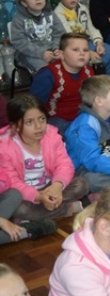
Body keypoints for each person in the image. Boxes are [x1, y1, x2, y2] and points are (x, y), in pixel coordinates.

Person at [0, 94, 89, 225]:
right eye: (29, 122)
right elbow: (12, 182)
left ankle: (39, 214)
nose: (38, 126)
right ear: (15, 126)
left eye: (42, 119)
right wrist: (38, 196)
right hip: (26, 195)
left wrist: (57, 186)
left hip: (50, 186)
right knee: (20, 209)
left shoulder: (52, 135)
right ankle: (66, 209)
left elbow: (64, 164)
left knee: (81, 184)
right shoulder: (4, 147)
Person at [53, 0, 110, 82]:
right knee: (86, 61)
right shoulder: (57, 13)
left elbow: (92, 28)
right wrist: (87, 52)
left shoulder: (83, 8)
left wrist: (99, 43)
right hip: (73, 47)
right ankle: (91, 88)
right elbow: (68, 36)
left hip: (89, 42)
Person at [29, 33, 95, 133]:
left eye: (85, 50)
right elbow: (34, 105)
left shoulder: (89, 71)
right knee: (76, 133)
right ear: (62, 54)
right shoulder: (48, 74)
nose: (82, 53)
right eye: (75, 50)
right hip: (57, 119)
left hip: (82, 114)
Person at [8, 0, 65, 74]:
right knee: (45, 70)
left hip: (52, 49)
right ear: (24, 3)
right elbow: (19, 42)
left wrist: (56, 48)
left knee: (70, 60)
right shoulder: (18, 20)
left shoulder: (51, 14)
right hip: (29, 53)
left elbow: (60, 33)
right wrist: (41, 53)